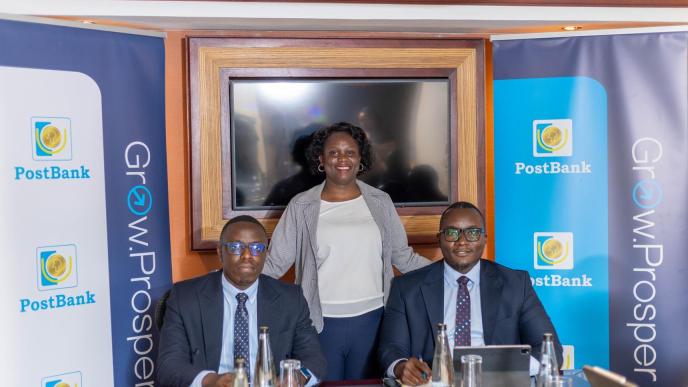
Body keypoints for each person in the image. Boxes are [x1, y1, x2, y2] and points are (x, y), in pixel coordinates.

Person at [264, 122, 431, 381]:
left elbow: (403, 257)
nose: (342, 158)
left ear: (360, 158)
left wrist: (444, 271)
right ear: (321, 159)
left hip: (374, 321)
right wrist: (226, 282)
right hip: (319, 324)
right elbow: (275, 263)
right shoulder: (301, 205)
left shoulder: (380, 201)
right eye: (334, 152)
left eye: (350, 152)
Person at [378, 202, 563, 386]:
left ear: (484, 238)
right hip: (434, 382)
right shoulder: (407, 287)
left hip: (497, 381)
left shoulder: (515, 284)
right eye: (452, 233)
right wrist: (401, 366)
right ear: (439, 238)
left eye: (473, 233)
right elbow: (391, 348)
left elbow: (550, 350)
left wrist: (507, 369)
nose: (462, 241)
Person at [157, 216, 326, 387]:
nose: (247, 255)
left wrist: (295, 378)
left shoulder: (291, 299)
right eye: (235, 247)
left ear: (265, 254)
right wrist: (210, 380)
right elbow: (169, 365)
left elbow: (314, 359)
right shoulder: (185, 297)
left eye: (256, 248)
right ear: (220, 253)